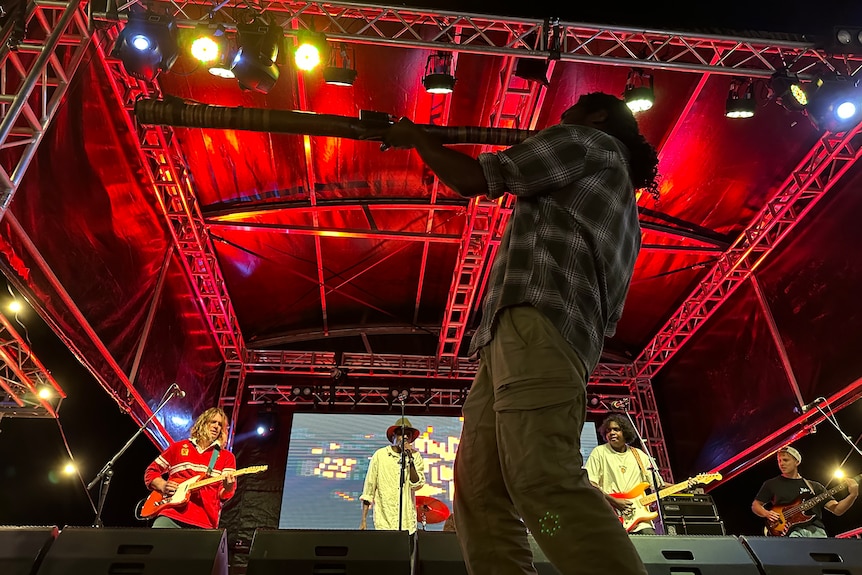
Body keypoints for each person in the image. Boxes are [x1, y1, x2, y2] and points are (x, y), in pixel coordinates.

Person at [376, 92, 658, 574]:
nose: (559, 120)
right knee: (478, 487)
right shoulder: (623, 206)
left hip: (536, 325)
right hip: (539, 337)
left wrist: (417, 139)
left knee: (541, 480)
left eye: (568, 112)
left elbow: (476, 178)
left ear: (597, 116)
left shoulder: (589, 142)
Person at [144, 407, 236, 529]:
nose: (216, 426)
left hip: (204, 521)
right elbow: (151, 471)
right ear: (202, 423)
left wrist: (228, 487)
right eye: (213, 422)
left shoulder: (226, 457)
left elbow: (224, 494)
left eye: (220, 424)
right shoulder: (178, 447)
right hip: (170, 514)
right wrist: (162, 485)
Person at [752, 445, 858, 537]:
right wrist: (766, 513)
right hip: (789, 532)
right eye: (779, 461)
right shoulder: (771, 484)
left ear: (797, 462)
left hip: (816, 531)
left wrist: (853, 495)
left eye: (785, 460)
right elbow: (756, 505)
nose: (781, 464)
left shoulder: (814, 486)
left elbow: (837, 509)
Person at [586, 414, 666, 535]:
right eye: (608, 430)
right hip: (610, 514)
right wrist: (615, 501)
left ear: (626, 432)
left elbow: (658, 485)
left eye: (616, 429)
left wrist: (687, 485)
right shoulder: (599, 452)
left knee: (650, 545)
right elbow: (590, 482)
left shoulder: (639, 455)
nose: (611, 433)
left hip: (640, 519)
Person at [360, 417, 427, 533]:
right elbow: (368, 490)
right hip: (384, 522)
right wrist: (363, 520)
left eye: (408, 435)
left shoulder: (415, 456)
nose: (405, 437)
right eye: (401, 434)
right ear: (393, 436)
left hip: (407, 524)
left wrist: (410, 459)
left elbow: (416, 484)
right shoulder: (380, 456)